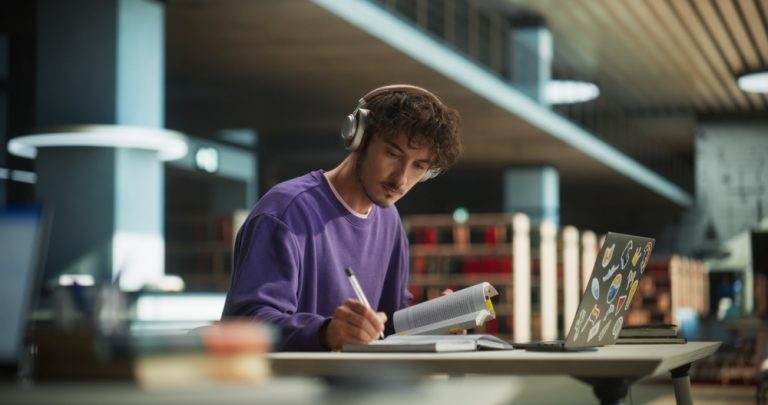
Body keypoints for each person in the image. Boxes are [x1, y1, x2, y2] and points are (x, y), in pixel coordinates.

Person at [222, 84, 463, 351]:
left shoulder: (389, 219)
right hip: (288, 389)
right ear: (358, 138)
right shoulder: (286, 211)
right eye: (393, 154)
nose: (401, 178)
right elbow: (244, 325)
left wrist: (429, 325)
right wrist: (326, 332)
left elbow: (385, 326)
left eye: (419, 166)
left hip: (358, 387)